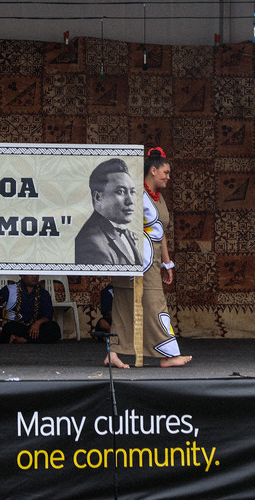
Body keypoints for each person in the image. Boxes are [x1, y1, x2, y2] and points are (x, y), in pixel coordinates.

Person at [106, 147, 192, 368]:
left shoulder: (158, 198)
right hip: (133, 257)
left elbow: (159, 231)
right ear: (153, 170)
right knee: (136, 302)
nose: (168, 177)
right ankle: (166, 354)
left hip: (151, 259)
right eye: (165, 172)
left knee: (148, 301)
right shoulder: (135, 194)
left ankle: (117, 352)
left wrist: (166, 262)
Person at [75, 158, 141, 266]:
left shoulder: (126, 233)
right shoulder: (91, 243)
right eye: (120, 192)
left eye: (132, 192)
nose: (130, 201)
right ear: (98, 197)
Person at [0, 274, 61, 343]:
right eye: (31, 273)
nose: (35, 276)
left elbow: (48, 314)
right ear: (22, 275)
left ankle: (23, 340)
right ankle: (29, 340)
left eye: (36, 273)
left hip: (35, 328)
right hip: (16, 326)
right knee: (7, 328)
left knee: (54, 329)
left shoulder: (44, 293)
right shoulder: (10, 289)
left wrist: (37, 324)